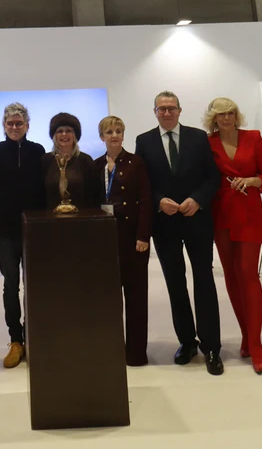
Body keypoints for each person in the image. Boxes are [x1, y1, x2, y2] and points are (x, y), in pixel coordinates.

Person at [135, 91, 223, 376]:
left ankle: (211, 346)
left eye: (171, 108)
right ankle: (187, 342)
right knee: (175, 283)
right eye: (162, 109)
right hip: (165, 223)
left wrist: (197, 199)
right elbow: (142, 182)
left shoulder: (198, 138)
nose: (167, 113)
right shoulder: (144, 141)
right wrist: (159, 200)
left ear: (180, 110)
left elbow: (212, 176)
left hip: (197, 219)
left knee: (204, 280)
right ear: (155, 112)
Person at [203, 97, 262, 374]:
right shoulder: (207, 143)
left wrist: (255, 180)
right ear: (213, 118)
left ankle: (256, 343)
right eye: (220, 114)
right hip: (221, 213)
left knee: (248, 272)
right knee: (232, 275)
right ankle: (245, 335)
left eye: (230, 113)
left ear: (236, 115)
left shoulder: (253, 137)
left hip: (249, 211)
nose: (225, 118)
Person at [0, 102, 46, 369]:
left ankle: (33, 336)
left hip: (34, 229)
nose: (15, 127)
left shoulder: (38, 151)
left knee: (34, 285)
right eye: (10, 123)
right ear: (4, 126)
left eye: (19, 123)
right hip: (7, 229)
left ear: (27, 125)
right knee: (11, 285)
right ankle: (16, 340)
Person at [94, 115, 152, 366]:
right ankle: (112, 349)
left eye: (118, 131)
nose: (114, 136)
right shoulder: (96, 165)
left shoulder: (136, 163)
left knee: (136, 297)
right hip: (106, 240)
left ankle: (136, 353)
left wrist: (143, 236)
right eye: (109, 132)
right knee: (109, 299)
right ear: (102, 137)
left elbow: (146, 200)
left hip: (132, 238)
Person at [44, 113, 101, 210]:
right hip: (50, 217)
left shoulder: (86, 161)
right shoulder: (45, 160)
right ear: (54, 136)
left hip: (81, 217)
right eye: (60, 131)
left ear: (75, 135)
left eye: (69, 130)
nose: (64, 134)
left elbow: (93, 195)